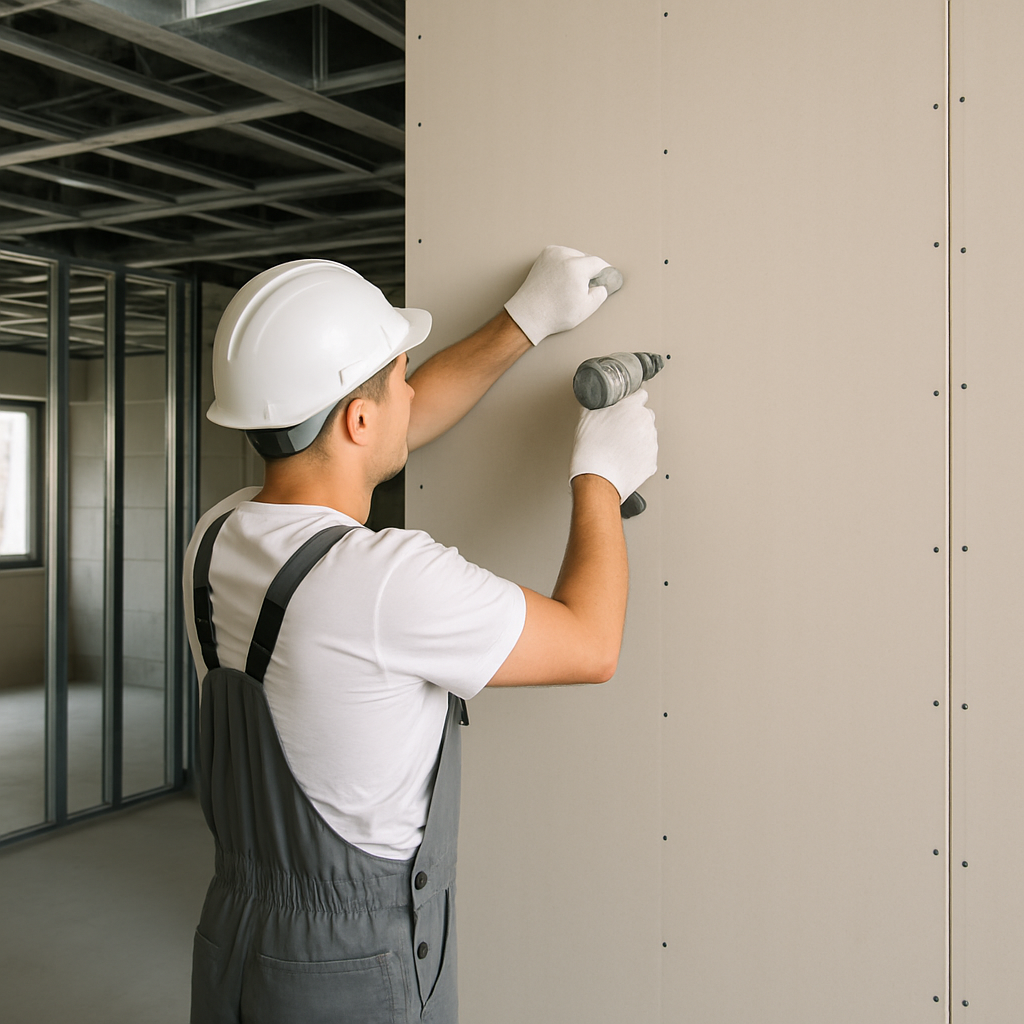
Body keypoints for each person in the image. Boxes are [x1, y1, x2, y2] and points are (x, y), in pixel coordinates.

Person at [183, 246, 658, 1024]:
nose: (412, 389)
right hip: (351, 970)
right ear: (358, 417)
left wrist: (525, 321)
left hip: (235, 940)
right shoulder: (383, 581)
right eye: (399, 377)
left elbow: (389, 430)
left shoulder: (217, 535)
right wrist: (600, 479)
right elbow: (589, 643)